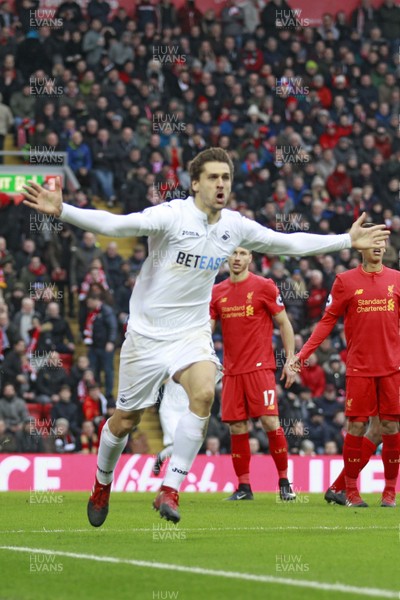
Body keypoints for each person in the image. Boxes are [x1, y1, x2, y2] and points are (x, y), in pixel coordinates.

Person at [22, 147, 389, 525]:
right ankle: (102, 484)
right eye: (213, 177)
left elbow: (288, 243)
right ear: (194, 183)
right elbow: (118, 226)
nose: (220, 184)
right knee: (125, 421)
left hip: (191, 332)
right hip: (147, 334)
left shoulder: (235, 226)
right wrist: (63, 210)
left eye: (226, 178)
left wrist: (346, 241)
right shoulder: (171, 216)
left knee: (202, 393)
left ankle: (170, 489)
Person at [290, 226, 400, 507]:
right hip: (360, 369)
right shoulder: (345, 281)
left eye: (382, 242)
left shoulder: (396, 280)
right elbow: (326, 322)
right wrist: (301, 356)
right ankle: (350, 491)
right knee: (357, 426)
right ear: (360, 246)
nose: (377, 246)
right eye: (372, 241)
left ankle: (389, 492)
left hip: (391, 368)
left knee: (389, 426)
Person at [210, 247, 296, 501]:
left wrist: (290, 359)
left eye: (243, 253)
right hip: (232, 371)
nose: (237, 258)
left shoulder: (264, 286)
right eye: (233, 253)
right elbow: (207, 328)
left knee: (270, 422)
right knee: (237, 427)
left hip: (260, 368)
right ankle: (244, 487)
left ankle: (284, 482)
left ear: (250, 258)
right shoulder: (216, 292)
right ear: (227, 257)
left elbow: (284, 323)